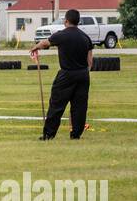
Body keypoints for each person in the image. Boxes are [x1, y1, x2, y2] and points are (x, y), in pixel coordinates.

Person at [27, 8, 93, 141]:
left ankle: (49, 134)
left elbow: (46, 43)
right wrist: (84, 72)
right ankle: (76, 134)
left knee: (56, 104)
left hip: (66, 74)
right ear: (78, 21)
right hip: (83, 75)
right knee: (79, 106)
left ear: (66, 21)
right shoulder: (85, 37)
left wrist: (36, 47)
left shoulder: (62, 34)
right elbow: (90, 61)